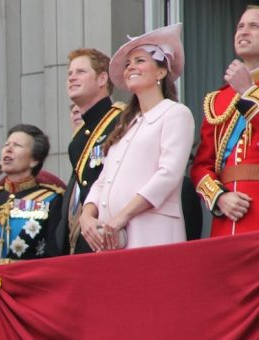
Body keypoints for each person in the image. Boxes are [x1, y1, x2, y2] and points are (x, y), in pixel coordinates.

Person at [79, 23, 194, 251]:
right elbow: (103, 180)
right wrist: (87, 216)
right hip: (113, 239)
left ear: (161, 71)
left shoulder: (175, 113)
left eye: (140, 60)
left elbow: (168, 174)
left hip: (153, 234)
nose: (131, 67)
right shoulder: (126, 124)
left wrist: (122, 216)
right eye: (128, 63)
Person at [191, 5, 259, 237]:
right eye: (240, 26)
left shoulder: (243, 89)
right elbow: (201, 165)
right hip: (227, 216)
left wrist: (248, 91)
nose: (243, 31)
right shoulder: (217, 99)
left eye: (254, 26)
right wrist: (219, 197)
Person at [55, 48, 123, 255]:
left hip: (113, 233)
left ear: (102, 78)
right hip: (86, 238)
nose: (72, 78)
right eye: (69, 73)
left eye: (80, 72)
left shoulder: (121, 120)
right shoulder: (79, 139)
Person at [0, 124, 64, 262]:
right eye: (6, 144)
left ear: (34, 160)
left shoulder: (52, 199)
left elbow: (56, 255)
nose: (8, 149)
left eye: (17, 145)